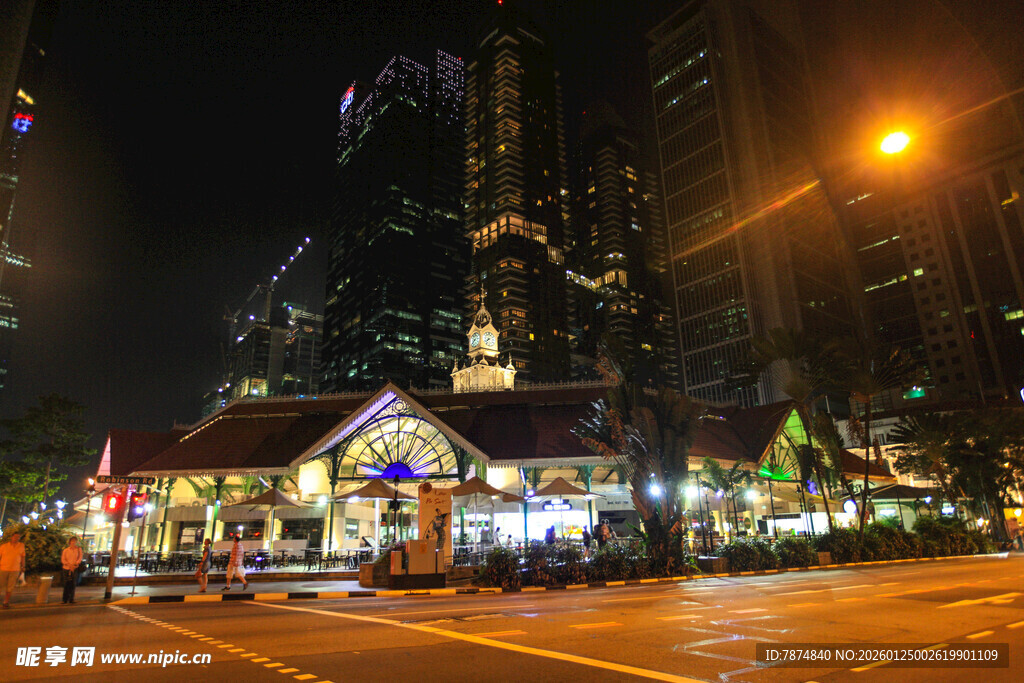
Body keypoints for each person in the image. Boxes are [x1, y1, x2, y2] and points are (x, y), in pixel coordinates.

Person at [0, 531, 26, 608]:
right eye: (15, 537)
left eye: (18, 537)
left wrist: (23, 567)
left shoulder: (21, 546)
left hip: (15, 569)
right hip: (3, 568)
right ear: (12, 537)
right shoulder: (4, 546)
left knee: (10, 587)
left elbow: (23, 557)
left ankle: (6, 602)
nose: (16, 538)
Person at [61, 536, 83, 604]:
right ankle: (65, 599)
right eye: (72, 541)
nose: (73, 543)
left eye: (75, 541)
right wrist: (68, 565)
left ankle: (71, 599)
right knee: (66, 583)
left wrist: (75, 564)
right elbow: (63, 559)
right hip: (66, 568)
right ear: (70, 542)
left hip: (74, 568)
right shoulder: (66, 550)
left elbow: (80, 558)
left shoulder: (78, 550)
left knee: (73, 584)